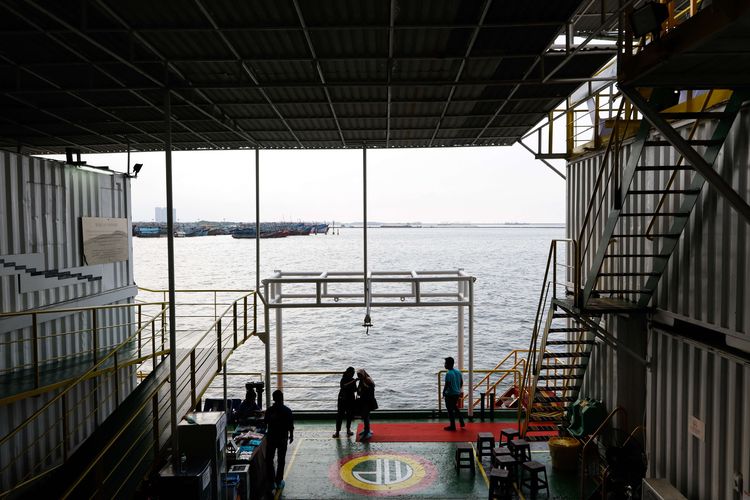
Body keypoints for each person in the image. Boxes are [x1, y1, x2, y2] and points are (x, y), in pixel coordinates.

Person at [264, 390, 294, 491]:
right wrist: (291, 436)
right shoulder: (287, 411)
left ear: (273, 398)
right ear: (282, 398)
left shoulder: (269, 410)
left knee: (269, 459)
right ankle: (279, 481)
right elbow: (291, 426)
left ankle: (271, 481)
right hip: (283, 438)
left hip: (272, 437)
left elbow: (265, 422)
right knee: (281, 460)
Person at [333, 367, 357, 438]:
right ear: (349, 373)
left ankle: (348, 430)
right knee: (340, 415)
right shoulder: (343, 379)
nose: (353, 374)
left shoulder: (353, 380)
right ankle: (337, 431)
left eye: (354, 373)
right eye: (352, 373)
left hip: (350, 399)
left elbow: (355, 390)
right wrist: (353, 382)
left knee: (349, 415)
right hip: (342, 399)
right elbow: (343, 386)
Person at [443, 356, 465, 431]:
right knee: (455, 407)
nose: (444, 365)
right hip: (457, 393)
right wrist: (457, 389)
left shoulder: (448, 374)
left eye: (445, 363)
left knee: (450, 410)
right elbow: (461, 382)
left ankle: (453, 426)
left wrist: (444, 392)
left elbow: (447, 385)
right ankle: (461, 421)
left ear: (449, 364)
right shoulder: (458, 372)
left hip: (450, 394)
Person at [355, 368, 377, 440]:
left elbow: (371, 390)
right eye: (358, 375)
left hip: (368, 401)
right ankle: (366, 429)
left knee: (366, 415)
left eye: (360, 375)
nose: (359, 376)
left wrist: (364, 389)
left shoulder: (367, 380)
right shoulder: (361, 380)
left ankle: (367, 431)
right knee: (365, 416)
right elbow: (359, 391)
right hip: (363, 401)